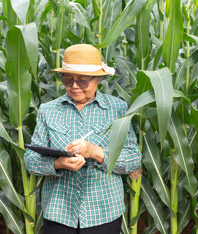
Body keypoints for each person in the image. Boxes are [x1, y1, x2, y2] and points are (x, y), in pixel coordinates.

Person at [24, 44, 142, 234]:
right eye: (68, 80)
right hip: (59, 211)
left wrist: (95, 152)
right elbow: (31, 160)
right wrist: (59, 163)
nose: (75, 86)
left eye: (83, 80)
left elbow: (133, 160)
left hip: (104, 211)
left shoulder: (117, 109)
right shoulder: (49, 110)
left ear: (99, 80)